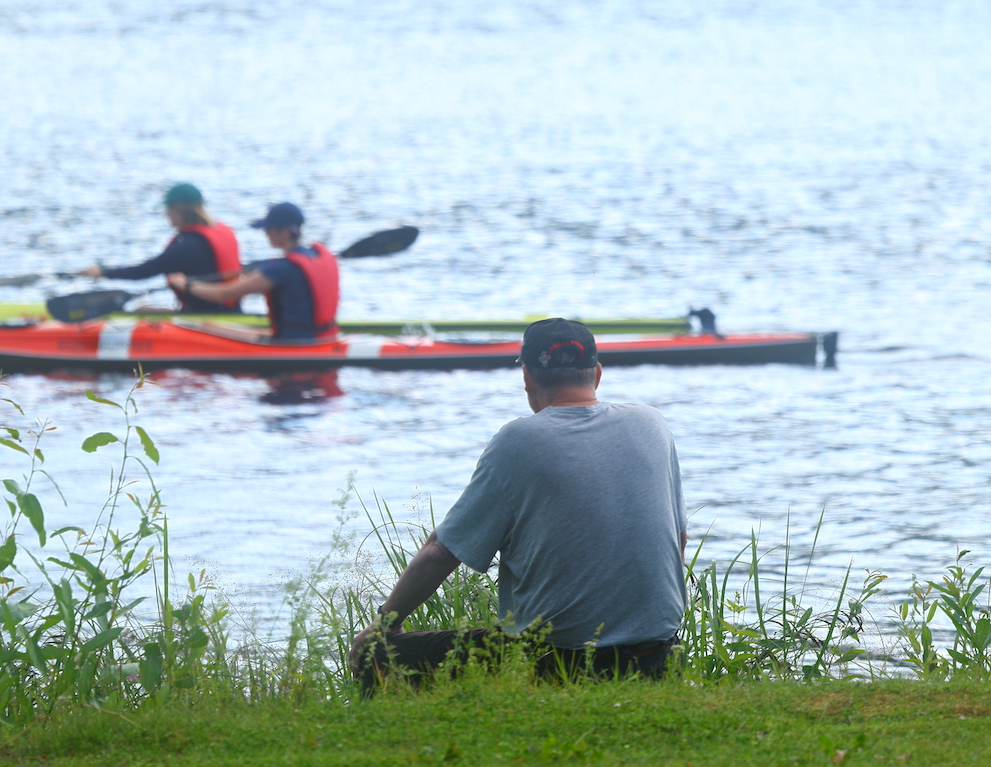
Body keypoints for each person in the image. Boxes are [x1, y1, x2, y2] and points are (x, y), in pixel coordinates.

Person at [347, 319, 687, 692]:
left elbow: (441, 552)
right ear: (598, 374)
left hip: (558, 661)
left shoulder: (519, 440)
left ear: (527, 376)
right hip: (658, 655)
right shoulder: (652, 424)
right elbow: (680, 539)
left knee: (374, 654)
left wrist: (385, 622)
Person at [166, 201, 339, 341]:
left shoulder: (281, 269)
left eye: (268, 229)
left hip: (293, 343)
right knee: (211, 326)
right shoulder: (315, 255)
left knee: (206, 327)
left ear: (284, 232)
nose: (265, 234)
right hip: (322, 337)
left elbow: (224, 294)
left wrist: (186, 285)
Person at [76, 182, 243, 312]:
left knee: (139, 310)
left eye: (168, 209)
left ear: (179, 211)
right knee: (144, 308)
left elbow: (141, 272)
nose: (166, 214)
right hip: (232, 310)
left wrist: (102, 272)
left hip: (205, 315)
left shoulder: (186, 247)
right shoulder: (222, 232)